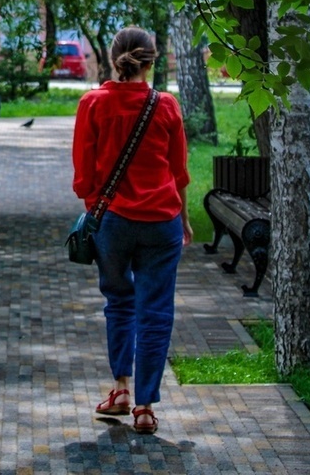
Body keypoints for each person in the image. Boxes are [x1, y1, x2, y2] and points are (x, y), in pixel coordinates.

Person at [71, 26, 192, 435]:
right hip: (162, 223)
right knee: (156, 313)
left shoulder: (93, 104)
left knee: (119, 302)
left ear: (112, 57)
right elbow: (179, 174)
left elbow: (83, 179)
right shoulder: (168, 107)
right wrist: (185, 220)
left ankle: (120, 389)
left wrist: (98, 210)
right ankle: (144, 407)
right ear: (152, 60)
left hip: (114, 223)